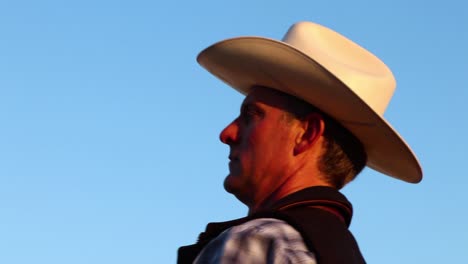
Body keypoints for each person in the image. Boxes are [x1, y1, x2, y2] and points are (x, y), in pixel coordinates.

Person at [177, 21, 422, 264]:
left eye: (251, 116)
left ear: (307, 134)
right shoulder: (332, 252)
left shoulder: (256, 245)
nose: (227, 133)